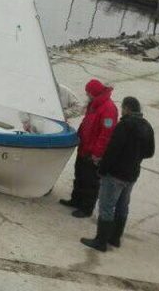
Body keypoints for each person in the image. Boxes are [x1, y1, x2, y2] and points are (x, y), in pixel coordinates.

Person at [80, 96, 154, 252]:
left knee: (107, 206)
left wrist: (102, 169)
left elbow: (112, 151)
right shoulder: (147, 126)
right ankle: (115, 238)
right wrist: (135, 156)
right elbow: (150, 152)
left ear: (126, 108)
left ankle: (101, 241)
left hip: (115, 174)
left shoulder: (124, 126)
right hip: (132, 174)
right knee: (122, 207)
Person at [60, 79, 119, 218]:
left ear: (94, 92)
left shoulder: (109, 109)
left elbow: (106, 133)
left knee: (90, 180)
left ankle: (86, 208)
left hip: (93, 152)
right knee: (80, 175)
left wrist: (97, 153)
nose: (87, 95)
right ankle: (76, 200)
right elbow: (87, 122)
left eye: (88, 93)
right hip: (84, 147)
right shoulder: (94, 104)